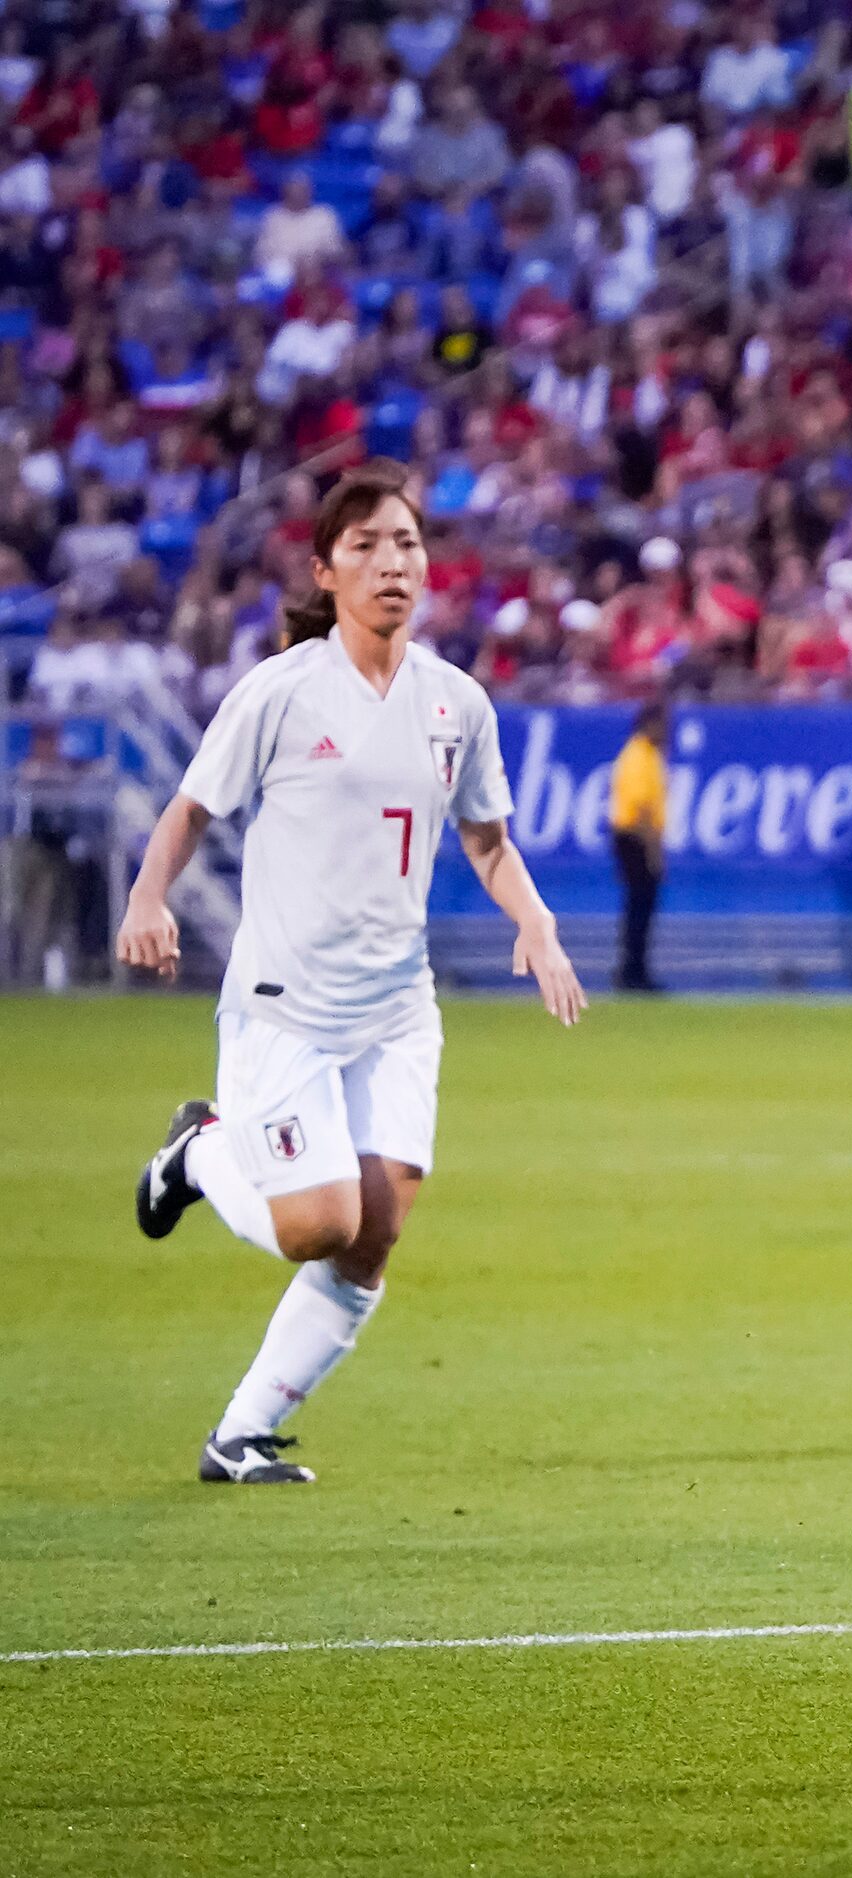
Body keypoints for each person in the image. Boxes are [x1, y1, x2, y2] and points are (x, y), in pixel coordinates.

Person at [118, 462, 587, 1485]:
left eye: (407, 544)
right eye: (367, 546)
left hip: (395, 1008)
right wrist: (149, 896)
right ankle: (201, 1152)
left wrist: (538, 926)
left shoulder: (455, 704)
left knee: (372, 1237)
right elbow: (191, 808)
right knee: (317, 1226)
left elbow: (490, 843)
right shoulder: (281, 691)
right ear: (325, 570)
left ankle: (239, 1435)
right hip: (285, 1005)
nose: (391, 564)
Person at [610, 698, 668, 992]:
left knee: (639, 907)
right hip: (635, 838)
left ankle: (633, 969)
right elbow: (642, 810)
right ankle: (633, 971)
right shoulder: (639, 756)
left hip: (632, 837)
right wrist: (654, 851)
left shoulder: (643, 754)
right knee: (639, 907)